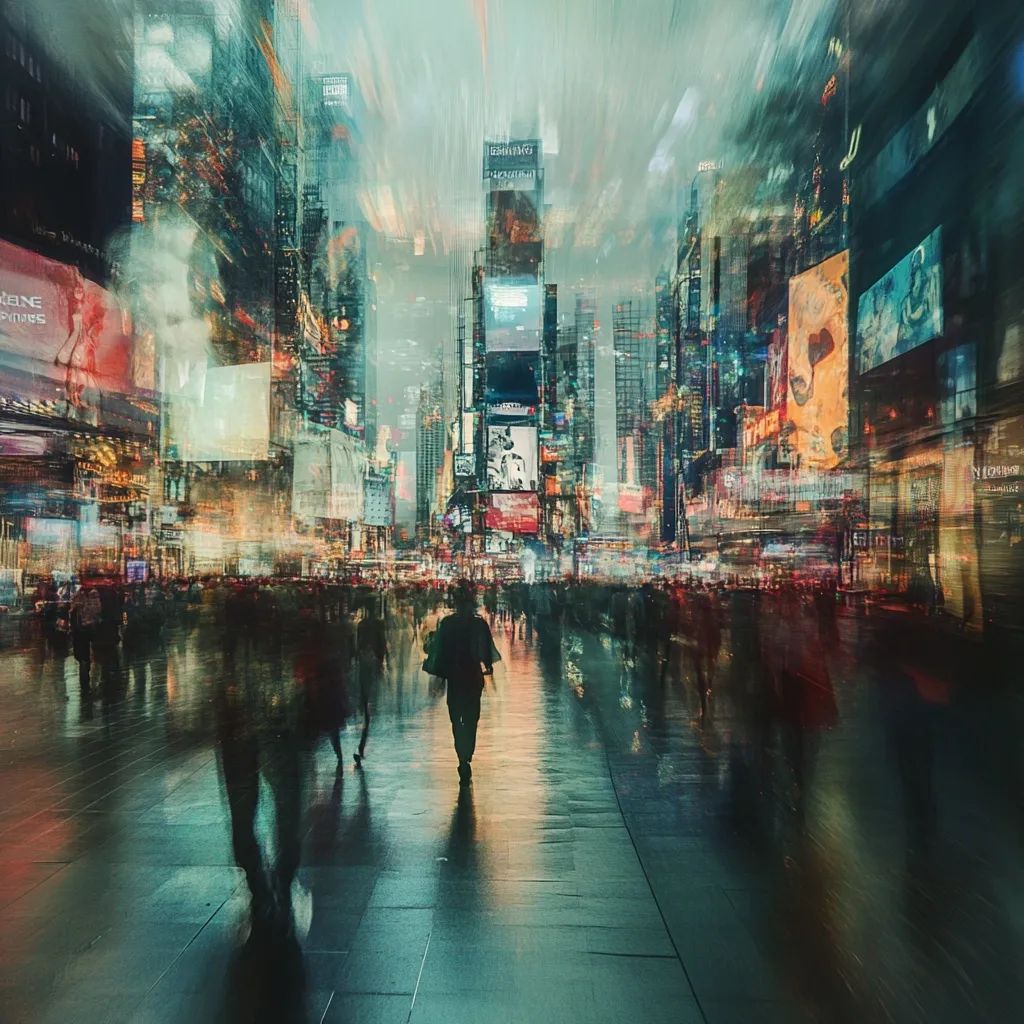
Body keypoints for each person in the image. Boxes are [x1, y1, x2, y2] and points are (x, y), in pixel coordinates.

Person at [427, 582, 499, 785]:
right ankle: (467, 755)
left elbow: (439, 653)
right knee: (471, 718)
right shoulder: (478, 624)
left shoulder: (447, 624)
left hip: (455, 677)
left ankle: (461, 756)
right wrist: (488, 667)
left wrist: (438, 675)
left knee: (456, 718)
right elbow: (487, 652)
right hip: (473, 676)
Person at [353, 598, 387, 767]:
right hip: (374, 661)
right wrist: (382, 660)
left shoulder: (361, 624)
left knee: (365, 696)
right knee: (372, 696)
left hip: (364, 661)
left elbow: (357, 646)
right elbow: (382, 643)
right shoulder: (379, 623)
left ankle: (365, 710)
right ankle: (362, 743)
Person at [69, 586, 101, 696]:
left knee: (83, 660)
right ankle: (86, 686)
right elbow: (97, 610)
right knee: (87, 659)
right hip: (87, 632)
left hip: (78, 633)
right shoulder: (92, 594)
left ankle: (85, 686)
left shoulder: (78, 595)